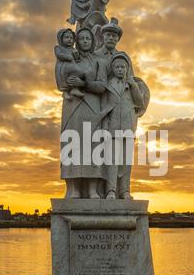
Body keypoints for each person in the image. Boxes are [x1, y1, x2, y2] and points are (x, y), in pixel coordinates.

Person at [57, 27, 110, 199]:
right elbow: (60, 80)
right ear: (76, 41)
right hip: (73, 106)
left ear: (92, 41)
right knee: (71, 144)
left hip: (92, 106)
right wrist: (70, 83)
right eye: (82, 38)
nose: (85, 41)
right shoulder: (69, 57)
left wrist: (83, 83)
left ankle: (92, 189)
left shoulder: (98, 61)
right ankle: (73, 189)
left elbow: (102, 85)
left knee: (93, 145)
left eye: (88, 38)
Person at [103, 53, 150, 199]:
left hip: (128, 127)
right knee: (112, 161)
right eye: (117, 67)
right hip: (112, 128)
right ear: (113, 69)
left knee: (126, 162)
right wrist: (104, 127)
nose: (120, 70)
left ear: (127, 69)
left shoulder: (133, 85)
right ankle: (110, 190)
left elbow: (140, 103)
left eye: (123, 67)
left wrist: (134, 85)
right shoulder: (108, 85)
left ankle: (124, 191)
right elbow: (104, 108)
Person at [54, 28, 83, 101]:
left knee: (77, 74)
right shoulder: (58, 48)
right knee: (64, 79)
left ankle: (74, 89)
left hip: (73, 67)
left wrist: (76, 55)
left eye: (71, 38)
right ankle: (65, 92)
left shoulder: (73, 49)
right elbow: (58, 55)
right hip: (62, 67)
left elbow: (77, 60)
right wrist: (66, 57)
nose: (69, 39)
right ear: (61, 39)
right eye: (67, 37)